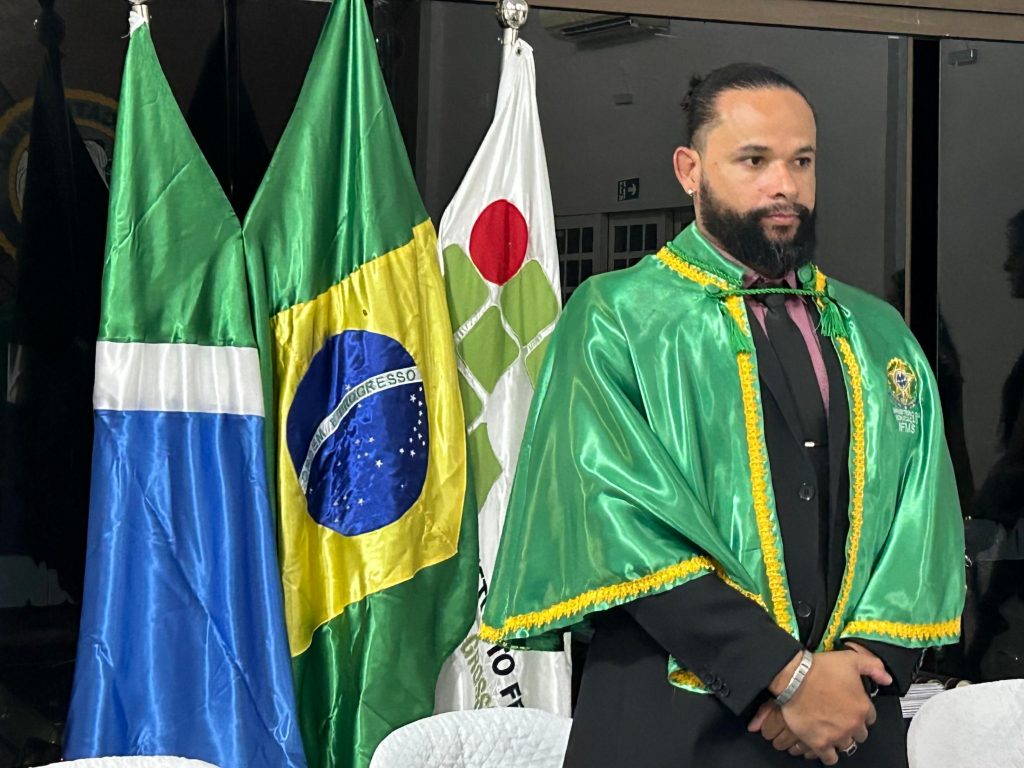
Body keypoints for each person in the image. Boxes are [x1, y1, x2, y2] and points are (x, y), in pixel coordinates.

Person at [479, 63, 965, 767]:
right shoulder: (619, 317)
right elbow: (616, 519)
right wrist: (784, 675)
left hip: (850, 730)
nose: (784, 184)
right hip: (673, 726)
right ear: (690, 169)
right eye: (754, 160)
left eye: (801, 161)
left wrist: (858, 670)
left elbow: (922, 520)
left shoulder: (877, 332)